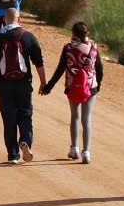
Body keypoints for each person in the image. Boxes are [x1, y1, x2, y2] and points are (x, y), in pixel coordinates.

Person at [0, 9, 45, 164]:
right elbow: (38, 61)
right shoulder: (27, 36)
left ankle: (13, 155)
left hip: (4, 85)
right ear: (19, 19)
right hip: (24, 84)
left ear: (5, 19)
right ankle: (25, 140)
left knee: (9, 119)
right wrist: (43, 82)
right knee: (25, 114)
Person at [41, 21, 104, 164]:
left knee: (75, 117)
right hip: (90, 87)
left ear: (73, 34)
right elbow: (99, 69)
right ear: (87, 34)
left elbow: (60, 69)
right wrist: (97, 85)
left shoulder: (68, 48)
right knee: (86, 119)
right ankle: (86, 153)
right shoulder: (93, 48)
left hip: (72, 87)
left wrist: (48, 87)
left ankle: (74, 149)